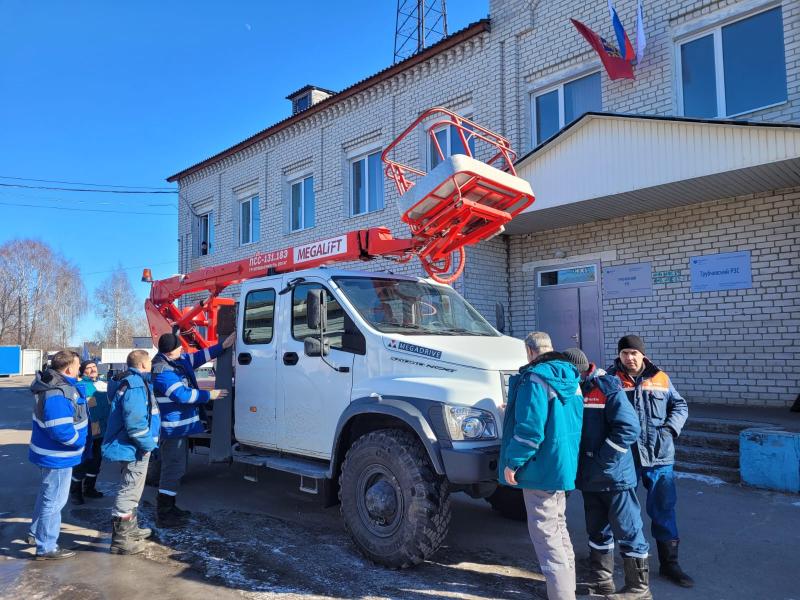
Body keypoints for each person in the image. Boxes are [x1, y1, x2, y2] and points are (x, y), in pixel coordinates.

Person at [499, 332, 583, 600]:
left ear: (529, 350)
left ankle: (561, 595)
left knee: (546, 536)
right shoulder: (571, 377)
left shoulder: (535, 378)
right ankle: (567, 587)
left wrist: (513, 462)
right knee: (559, 528)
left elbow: (530, 430)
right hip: (563, 465)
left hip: (539, 469)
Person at [563, 348, 651, 600]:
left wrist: (604, 459)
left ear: (577, 371)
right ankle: (602, 580)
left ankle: (639, 588)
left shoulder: (606, 387)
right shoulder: (574, 388)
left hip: (614, 477)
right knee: (597, 529)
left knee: (628, 529)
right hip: (590, 477)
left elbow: (629, 427)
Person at [607, 334, 693, 588]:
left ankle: (670, 564)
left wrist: (669, 430)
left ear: (642, 354)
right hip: (625, 457)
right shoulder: (611, 379)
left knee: (663, 508)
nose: (629, 358)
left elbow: (680, 406)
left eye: (634, 353)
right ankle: (610, 560)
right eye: (625, 353)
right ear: (619, 355)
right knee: (621, 509)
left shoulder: (660, 378)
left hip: (659, 456)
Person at [152, 332, 233, 527]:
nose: (183, 350)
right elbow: (182, 395)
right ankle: (164, 514)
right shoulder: (162, 371)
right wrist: (209, 395)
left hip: (180, 428)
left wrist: (222, 345)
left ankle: (170, 507)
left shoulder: (177, 360)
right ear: (171, 352)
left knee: (176, 468)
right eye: (179, 347)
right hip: (172, 431)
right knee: (173, 469)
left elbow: (199, 356)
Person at [28, 350, 89, 560]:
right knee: (54, 501)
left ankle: (35, 533)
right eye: (78, 365)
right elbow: (60, 430)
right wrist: (78, 442)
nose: (80, 368)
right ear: (69, 368)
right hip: (59, 455)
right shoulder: (58, 392)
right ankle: (46, 546)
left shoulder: (58, 385)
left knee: (47, 495)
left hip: (52, 453)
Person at [102, 350, 159, 554]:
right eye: (150, 362)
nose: (152, 365)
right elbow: (135, 424)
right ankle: (121, 541)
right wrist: (147, 445)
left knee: (133, 489)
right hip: (134, 447)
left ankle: (131, 529)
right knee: (129, 490)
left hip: (130, 445)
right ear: (143, 364)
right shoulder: (135, 385)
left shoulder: (127, 380)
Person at [70, 359, 110, 504]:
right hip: (88, 430)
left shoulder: (103, 384)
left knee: (96, 460)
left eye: (94, 366)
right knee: (83, 461)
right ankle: (75, 491)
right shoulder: (80, 386)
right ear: (83, 371)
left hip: (103, 430)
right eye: (89, 367)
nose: (93, 369)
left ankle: (89, 488)